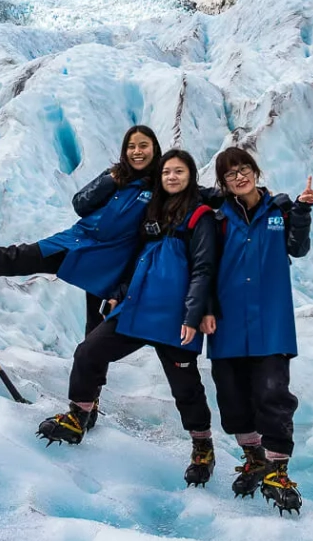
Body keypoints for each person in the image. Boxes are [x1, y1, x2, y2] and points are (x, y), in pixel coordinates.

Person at [0, 125, 163, 428]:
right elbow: (80, 204)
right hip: (77, 242)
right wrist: (110, 179)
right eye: (132, 146)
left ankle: (84, 408)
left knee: (94, 336)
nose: (137, 152)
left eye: (144, 146)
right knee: (22, 256)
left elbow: (154, 238)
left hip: (110, 263)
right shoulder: (115, 177)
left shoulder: (159, 189)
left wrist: (124, 286)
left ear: (155, 150)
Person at [36, 149, 218, 487]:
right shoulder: (154, 213)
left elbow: (204, 268)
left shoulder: (201, 217)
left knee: (186, 387)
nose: (172, 177)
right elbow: (138, 255)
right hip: (137, 305)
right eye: (166, 173)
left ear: (191, 176)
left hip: (175, 315)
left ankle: (202, 447)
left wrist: (193, 316)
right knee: (89, 351)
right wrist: (119, 289)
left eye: (179, 172)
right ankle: (79, 415)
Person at [200, 146, 313, 515]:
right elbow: (204, 266)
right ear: (223, 182)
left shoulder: (280, 211)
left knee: (273, 393)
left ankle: (277, 469)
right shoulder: (217, 217)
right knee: (232, 398)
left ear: (255, 171)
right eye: (230, 174)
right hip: (227, 322)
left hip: (271, 322)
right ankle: (254, 457)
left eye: (244, 169)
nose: (239, 177)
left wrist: (302, 210)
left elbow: (297, 248)